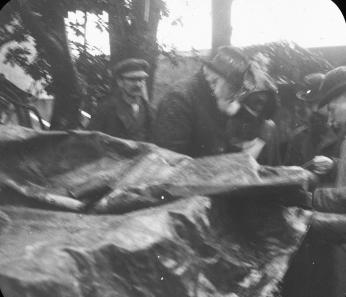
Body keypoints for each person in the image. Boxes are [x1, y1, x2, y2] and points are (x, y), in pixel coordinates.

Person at [153, 46, 281, 164]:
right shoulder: (179, 100)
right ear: (214, 80)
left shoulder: (216, 96)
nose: (236, 96)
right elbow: (170, 164)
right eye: (233, 88)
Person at [88, 58, 153, 141]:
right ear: (120, 81)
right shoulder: (106, 108)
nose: (138, 84)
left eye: (140, 80)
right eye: (132, 80)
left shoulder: (149, 110)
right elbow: (89, 139)